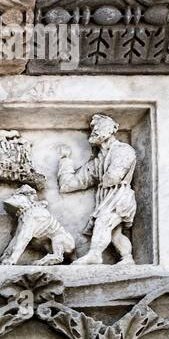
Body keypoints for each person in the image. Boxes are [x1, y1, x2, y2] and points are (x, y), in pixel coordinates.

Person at [58, 113, 137, 265]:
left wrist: (101, 177)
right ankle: (127, 258)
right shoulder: (97, 162)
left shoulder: (123, 150)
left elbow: (114, 176)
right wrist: (65, 160)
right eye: (92, 128)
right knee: (115, 233)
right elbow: (69, 184)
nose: (93, 130)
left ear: (111, 129)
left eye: (98, 127)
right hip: (106, 197)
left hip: (120, 196)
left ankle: (95, 254)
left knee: (103, 222)